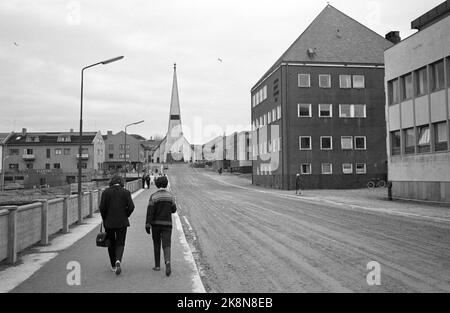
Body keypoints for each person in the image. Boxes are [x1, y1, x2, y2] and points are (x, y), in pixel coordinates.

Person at [99, 175, 135, 275]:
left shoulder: (106, 192)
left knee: (111, 242)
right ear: (121, 182)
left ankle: (113, 265)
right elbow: (132, 207)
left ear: (111, 182)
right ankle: (118, 260)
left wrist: (105, 218)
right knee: (120, 242)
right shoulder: (126, 192)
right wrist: (126, 214)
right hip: (122, 222)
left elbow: (102, 207)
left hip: (109, 223)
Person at [145, 176, 177, 277]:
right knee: (166, 244)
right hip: (167, 224)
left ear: (157, 185)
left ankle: (157, 266)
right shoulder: (170, 196)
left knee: (157, 244)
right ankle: (167, 262)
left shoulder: (153, 196)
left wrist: (147, 224)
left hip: (156, 225)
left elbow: (150, 212)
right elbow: (173, 210)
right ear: (166, 184)